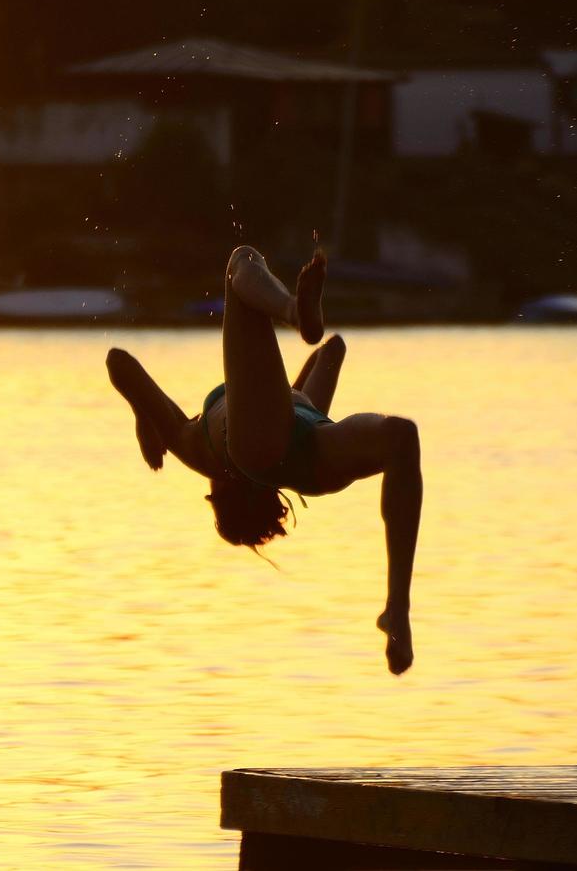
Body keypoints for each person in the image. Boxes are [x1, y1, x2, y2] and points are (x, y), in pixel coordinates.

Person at [106, 245, 421, 674]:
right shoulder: (196, 449)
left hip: (311, 460)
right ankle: (291, 311)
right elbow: (119, 362)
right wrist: (145, 414)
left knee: (401, 437)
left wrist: (144, 416)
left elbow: (334, 351)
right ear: (218, 493)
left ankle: (397, 612)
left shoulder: (267, 419)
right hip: (287, 441)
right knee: (239, 260)